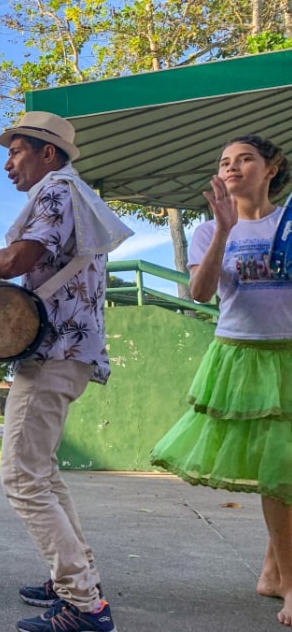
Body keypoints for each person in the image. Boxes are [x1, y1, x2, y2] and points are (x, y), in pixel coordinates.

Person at [0, 112, 132, 632]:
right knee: (41, 472)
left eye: (16, 151)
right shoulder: (75, 194)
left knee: (21, 476)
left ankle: (84, 604)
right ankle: (75, 578)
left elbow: (19, 258)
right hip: (70, 352)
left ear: (48, 153)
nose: (7, 163)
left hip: (52, 353)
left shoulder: (57, 191)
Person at [150, 135, 292, 627]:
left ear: (271, 168)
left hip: (289, 355)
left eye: (245, 159)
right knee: (280, 472)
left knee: (285, 472)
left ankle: (274, 572)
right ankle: (290, 584)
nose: (232, 167)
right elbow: (200, 291)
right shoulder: (209, 229)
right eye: (225, 161)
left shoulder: (289, 222)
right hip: (240, 360)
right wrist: (225, 231)